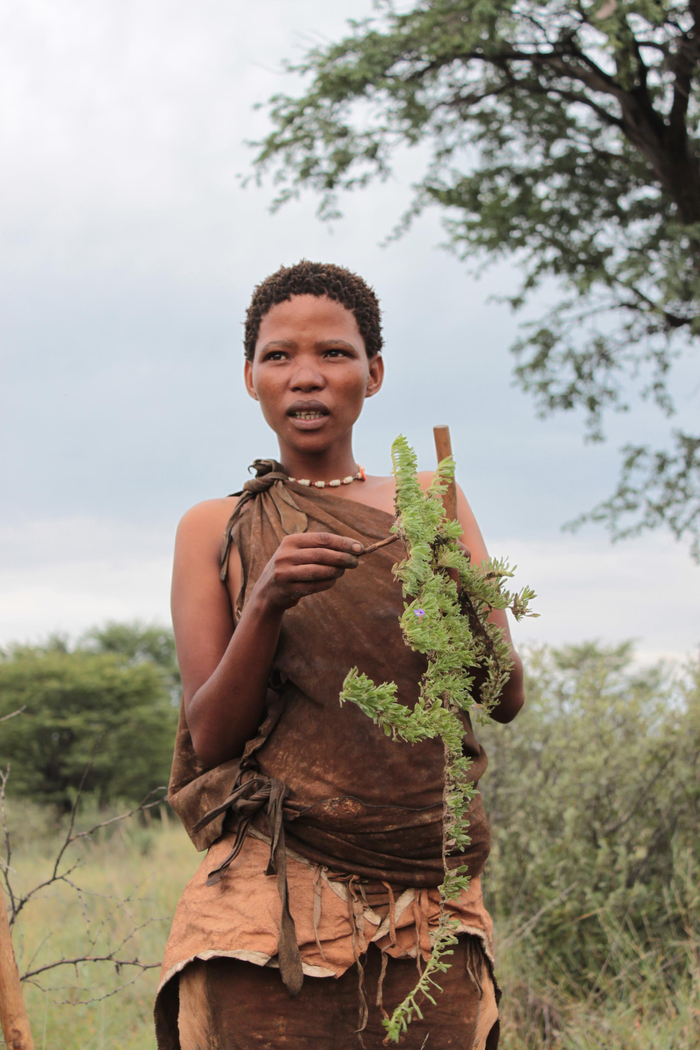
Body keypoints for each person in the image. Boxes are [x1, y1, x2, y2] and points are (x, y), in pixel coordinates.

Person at [154, 260, 525, 1050]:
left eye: (334, 353)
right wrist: (266, 605)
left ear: (374, 373)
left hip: (426, 884)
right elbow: (212, 737)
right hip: (273, 890)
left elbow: (504, 694)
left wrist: (460, 593)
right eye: (279, 356)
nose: (306, 377)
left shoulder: (433, 500)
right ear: (250, 378)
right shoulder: (211, 527)